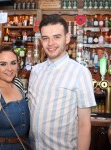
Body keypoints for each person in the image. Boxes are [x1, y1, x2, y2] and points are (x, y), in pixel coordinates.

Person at [28, 14, 96, 150]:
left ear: (67, 38)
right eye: (46, 38)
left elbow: (84, 124)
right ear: (41, 40)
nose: (50, 43)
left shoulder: (80, 73)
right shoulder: (35, 71)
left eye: (57, 37)